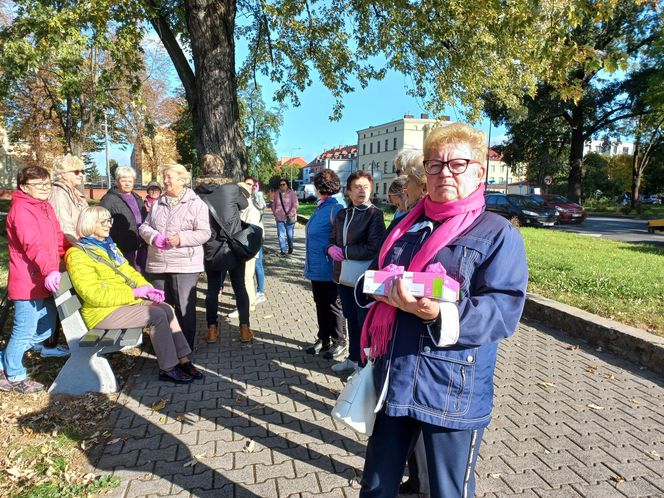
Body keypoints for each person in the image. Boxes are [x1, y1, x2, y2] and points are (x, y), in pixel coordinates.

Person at [359, 123, 528, 497]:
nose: (444, 173)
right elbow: (376, 269)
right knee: (375, 487)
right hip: (395, 378)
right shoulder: (407, 224)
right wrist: (376, 289)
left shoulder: (498, 234)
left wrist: (437, 314)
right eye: (435, 165)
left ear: (479, 171)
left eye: (457, 164)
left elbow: (502, 310)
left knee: (447, 490)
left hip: (452, 388)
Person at [66, 207, 202, 384]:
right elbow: (93, 295)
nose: (109, 225)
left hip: (121, 305)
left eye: (109, 221)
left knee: (166, 307)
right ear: (90, 224)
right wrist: (133, 293)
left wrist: (146, 287)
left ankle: (183, 360)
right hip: (101, 313)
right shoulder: (78, 255)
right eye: (103, 222)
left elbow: (129, 272)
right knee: (157, 315)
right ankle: (168, 368)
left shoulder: (108, 246)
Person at [0, 166, 69, 393]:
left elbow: (57, 238)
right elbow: (33, 245)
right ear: (24, 187)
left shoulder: (45, 206)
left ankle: (5, 358)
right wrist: (50, 269)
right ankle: (14, 375)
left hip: (46, 278)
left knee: (46, 326)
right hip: (28, 281)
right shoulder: (21, 210)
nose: (44, 188)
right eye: (38, 185)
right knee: (24, 329)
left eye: (47, 184)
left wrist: (68, 255)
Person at [139, 163, 211, 350]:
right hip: (158, 263)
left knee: (184, 308)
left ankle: (185, 350)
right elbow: (144, 227)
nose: (165, 180)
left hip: (184, 265)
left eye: (169, 176)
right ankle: (166, 349)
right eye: (164, 176)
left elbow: (204, 233)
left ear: (182, 179)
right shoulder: (157, 203)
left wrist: (180, 238)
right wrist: (154, 237)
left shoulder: (196, 204)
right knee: (162, 308)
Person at [327, 171, 385, 373]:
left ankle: (363, 365)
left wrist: (345, 252)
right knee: (350, 318)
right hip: (343, 277)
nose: (362, 190)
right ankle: (352, 358)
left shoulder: (374, 214)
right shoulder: (343, 214)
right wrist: (330, 249)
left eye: (366, 187)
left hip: (362, 278)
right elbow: (333, 238)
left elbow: (373, 247)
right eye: (357, 187)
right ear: (348, 191)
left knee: (363, 322)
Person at [194, 154, 252, 344]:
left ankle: (212, 330)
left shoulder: (197, 192)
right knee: (239, 287)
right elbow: (244, 204)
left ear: (203, 169)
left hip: (210, 247)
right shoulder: (231, 188)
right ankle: (244, 330)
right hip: (234, 246)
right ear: (221, 168)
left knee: (212, 290)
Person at [303, 170, 347, 360]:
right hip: (316, 268)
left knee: (334, 305)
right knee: (320, 304)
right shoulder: (322, 206)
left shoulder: (335, 208)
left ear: (320, 187)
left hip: (329, 268)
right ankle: (324, 338)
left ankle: (340, 341)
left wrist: (330, 250)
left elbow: (342, 237)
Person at [100, 166, 148, 273]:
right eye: (123, 180)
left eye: (130, 181)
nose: (127, 184)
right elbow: (100, 222)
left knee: (141, 273)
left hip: (140, 244)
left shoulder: (137, 198)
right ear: (117, 181)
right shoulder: (108, 199)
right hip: (122, 246)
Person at [227, 181, 262, 317]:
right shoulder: (243, 208)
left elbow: (250, 234)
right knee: (246, 278)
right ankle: (250, 303)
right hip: (244, 249)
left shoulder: (250, 210)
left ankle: (245, 307)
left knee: (245, 278)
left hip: (247, 249)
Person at [48, 154, 89, 244]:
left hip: (84, 243)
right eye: (76, 172)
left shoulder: (77, 193)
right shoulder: (58, 194)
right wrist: (80, 248)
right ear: (64, 175)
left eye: (82, 171)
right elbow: (65, 228)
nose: (81, 175)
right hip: (71, 248)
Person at [245, 176, 267, 304]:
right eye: (247, 184)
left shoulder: (257, 197)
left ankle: (260, 291)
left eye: (252, 184)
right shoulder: (242, 197)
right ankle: (251, 290)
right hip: (246, 236)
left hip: (257, 235)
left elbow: (262, 206)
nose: (250, 186)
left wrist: (257, 193)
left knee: (258, 263)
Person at [271, 178, 298, 256]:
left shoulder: (292, 193)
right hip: (279, 218)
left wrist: (292, 212)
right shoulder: (277, 193)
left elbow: (295, 204)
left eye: (284, 184)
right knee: (281, 235)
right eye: (280, 185)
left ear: (287, 185)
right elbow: (273, 204)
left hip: (289, 218)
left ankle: (290, 246)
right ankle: (283, 250)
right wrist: (275, 212)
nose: (282, 186)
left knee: (289, 236)